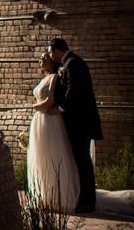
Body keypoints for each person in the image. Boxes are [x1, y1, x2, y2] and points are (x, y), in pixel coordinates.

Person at [48, 38, 103, 213]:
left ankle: (88, 201)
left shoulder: (72, 63)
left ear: (57, 50)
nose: (50, 55)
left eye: (50, 51)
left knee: (83, 161)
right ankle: (84, 198)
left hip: (81, 123)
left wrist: (60, 108)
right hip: (80, 122)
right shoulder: (73, 62)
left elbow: (74, 90)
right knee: (81, 160)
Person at [27, 52, 81, 212]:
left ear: (52, 61)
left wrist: (33, 107)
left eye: (45, 58)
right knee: (41, 157)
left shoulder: (55, 78)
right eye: (41, 58)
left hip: (50, 121)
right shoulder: (45, 78)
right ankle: (44, 196)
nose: (41, 60)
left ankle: (58, 198)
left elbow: (50, 101)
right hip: (39, 121)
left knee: (52, 155)